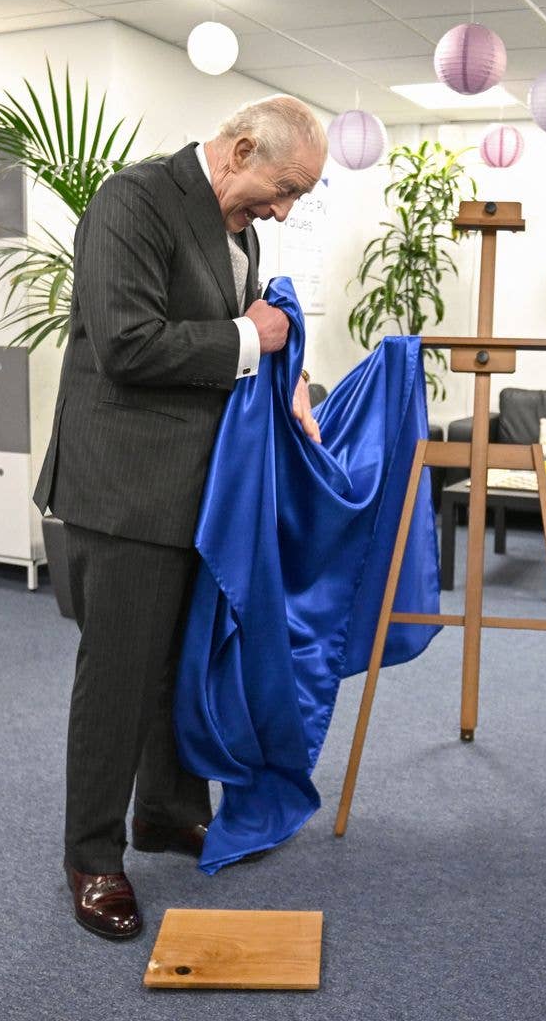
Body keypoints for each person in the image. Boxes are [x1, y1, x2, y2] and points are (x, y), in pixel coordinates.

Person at [33, 95, 327, 941]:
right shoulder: (131, 200)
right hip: (125, 488)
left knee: (180, 662)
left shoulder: (239, 225)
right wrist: (252, 339)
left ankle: (164, 811)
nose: (283, 211)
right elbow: (126, 344)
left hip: (202, 490)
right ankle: (91, 857)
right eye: (284, 189)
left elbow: (237, 338)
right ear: (240, 149)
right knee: (119, 678)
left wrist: (289, 380)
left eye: (296, 197)